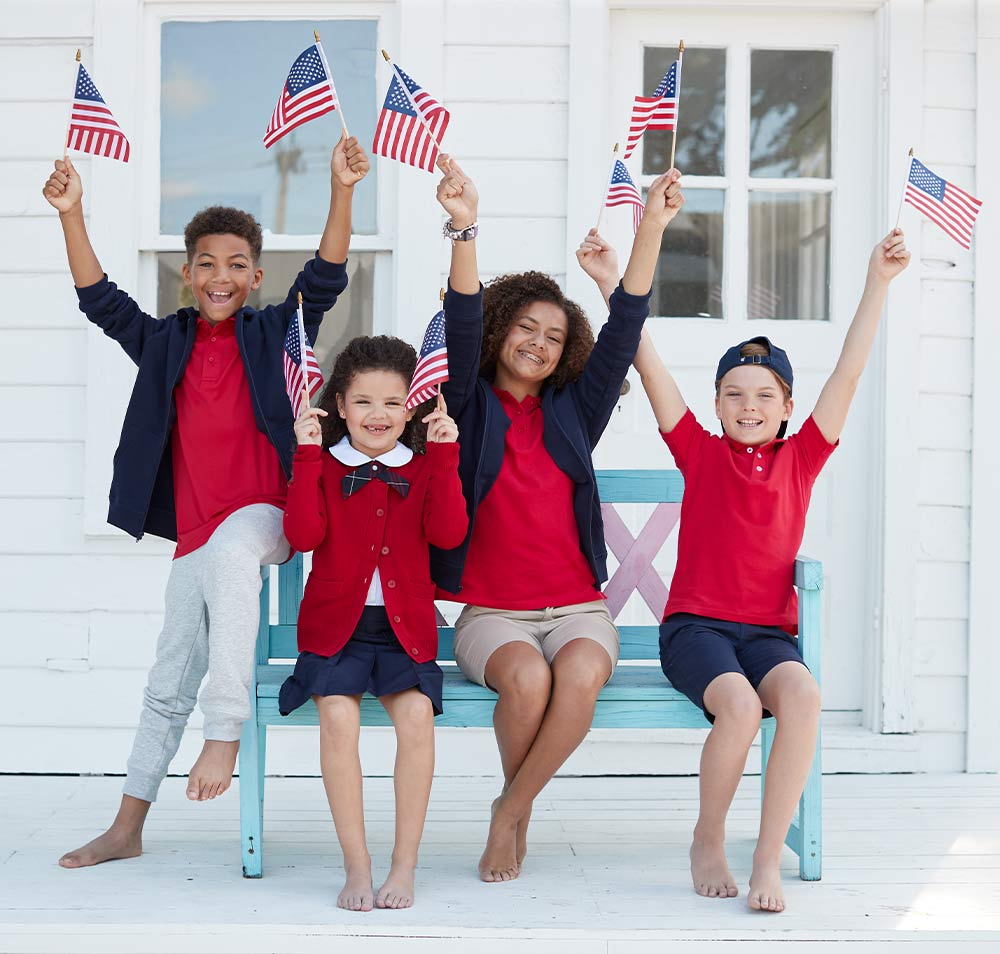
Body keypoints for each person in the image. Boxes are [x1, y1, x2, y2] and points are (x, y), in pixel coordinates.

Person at [44, 134, 370, 868]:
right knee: (168, 673)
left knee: (232, 552)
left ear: (254, 277)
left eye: (235, 266)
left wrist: (343, 191)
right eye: (205, 265)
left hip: (270, 513)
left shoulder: (274, 335)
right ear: (186, 275)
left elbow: (323, 279)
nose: (219, 276)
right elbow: (101, 301)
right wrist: (72, 212)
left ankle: (224, 729)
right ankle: (128, 824)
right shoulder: (165, 342)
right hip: (198, 531)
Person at [582, 226, 910, 912]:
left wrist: (877, 282)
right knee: (736, 705)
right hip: (696, 631)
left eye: (764, 395)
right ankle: (709, 837)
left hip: (766, 636)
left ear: (788, 408)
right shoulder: (699, 454)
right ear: (717, 404)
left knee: (804, 697)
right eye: (734, 394)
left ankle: (766, 858)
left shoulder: (803, 457)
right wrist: (611, 283)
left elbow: (848, 372)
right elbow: (650, 368)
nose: (749, 406)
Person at [430, 155, 685, 881]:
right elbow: (462, 311)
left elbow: (626, 321)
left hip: (578, 608)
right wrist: (464, 226)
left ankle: (508, 811)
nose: (537, 342)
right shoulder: (470, 405)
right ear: (501, 330)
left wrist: (652, 229)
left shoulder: (576, 412)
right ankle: (521, 811)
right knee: (528, 683)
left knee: (576, 676)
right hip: (493, 615)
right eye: (525, 327)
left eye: (553, 335)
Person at [279, 338, 468, 911]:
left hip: (404, 631)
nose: (378, 415)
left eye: (392, 402)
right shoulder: (326, 464)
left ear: (413, 406)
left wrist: (445, 458)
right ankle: (356, 866)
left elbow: (449, 534)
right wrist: (307, 457)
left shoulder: (424, 466)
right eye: (363, 402)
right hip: (337, 632)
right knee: (337, 718)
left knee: (416, 720)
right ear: (338, 405)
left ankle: (403, 865)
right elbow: (304, 536)